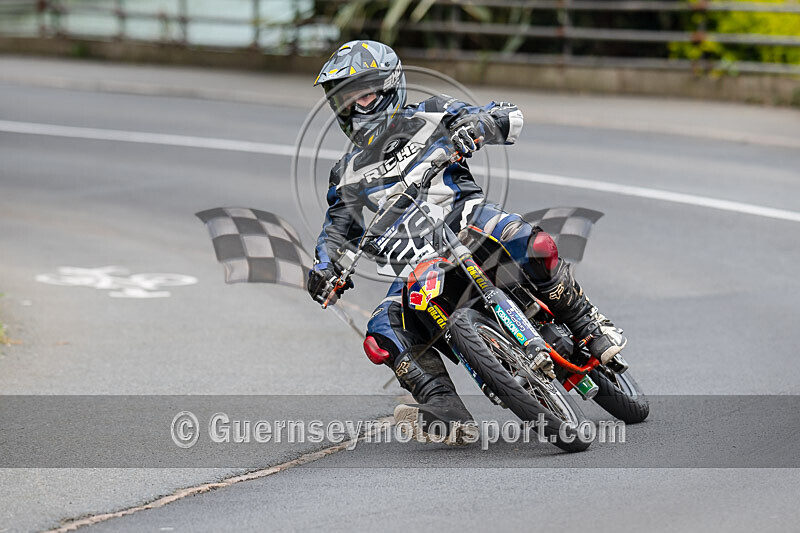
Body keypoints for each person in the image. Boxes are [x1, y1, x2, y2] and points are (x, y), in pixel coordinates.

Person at [307, 40, 626, 444]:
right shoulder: (346, 173)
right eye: (344, 99)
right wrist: (324, 267)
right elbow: (336, 230)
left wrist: (479, 126)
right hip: (416, 260)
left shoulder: (433, 112)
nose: (355, 107)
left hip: (470, 222)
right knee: (379, 332)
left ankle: (585, 320)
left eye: (365, 94)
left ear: (390, 87)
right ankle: (442, 406)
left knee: (533, 243)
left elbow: (507, 115)